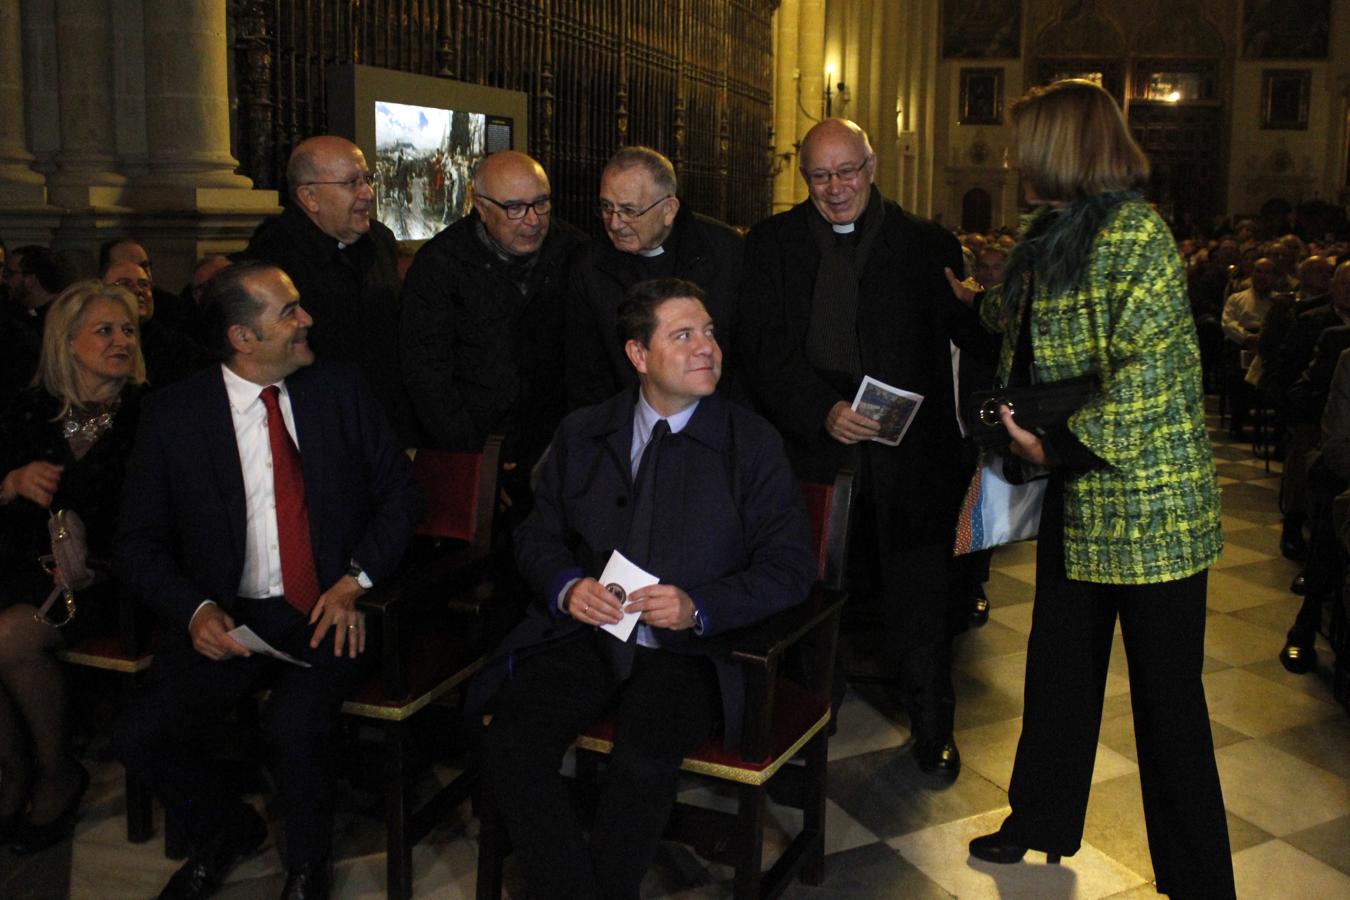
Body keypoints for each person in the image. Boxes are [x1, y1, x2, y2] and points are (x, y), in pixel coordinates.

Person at [946, 80, 1234, 897]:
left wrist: (1061, 441)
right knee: (1060, 671)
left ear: (1062, 151)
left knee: (1168, 706)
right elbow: (1023, 314)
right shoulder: (1052, 230)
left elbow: (1155, 369)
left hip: (1150, 511)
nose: (1010, 159)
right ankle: (1040, 819)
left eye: (1023, 144)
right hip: (1079, 500)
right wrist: (977, 300)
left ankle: (1199, 878)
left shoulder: (1134, 232)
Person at [472, 278, 816, 900]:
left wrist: (701, 607)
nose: (706, 347)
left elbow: (791, 567)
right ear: (638, 355)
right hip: (589, 634)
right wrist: (566, 585)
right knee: (512, 744)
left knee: (642, 761)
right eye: (683, 335)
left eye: (709, 331)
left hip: (693, 655)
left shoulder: (752, 443)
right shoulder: (583, 432)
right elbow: (536, 534)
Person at [114, 261, 422, 899]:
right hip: (229, 616)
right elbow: (138, 541)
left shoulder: (339, 389)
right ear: (242, 339)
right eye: (289, 312)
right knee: (142, 732)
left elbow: (401, 493)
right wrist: (195, 610)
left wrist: (355, 578)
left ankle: (307, 868)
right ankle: (226, 831)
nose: (307, 320)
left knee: (295, 725)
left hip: (325, 606)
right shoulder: (175, 414)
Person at [740, 117, 993, 779]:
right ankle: (801, 725)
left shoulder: (924, 242)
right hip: (814, 447)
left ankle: (933, 725)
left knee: (920, 595)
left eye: (846, 171)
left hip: (910, 458)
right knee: (807, 592)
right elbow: (762, 349)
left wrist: (986, 306)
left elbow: (967, 338)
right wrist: (820, 410)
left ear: (871, 166)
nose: (835, 188)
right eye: (820, 176)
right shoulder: (772, 244)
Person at [0, 280, 145, 853]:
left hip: (107, 578)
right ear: (66, 341)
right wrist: (9, 484)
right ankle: (13, 772)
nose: (121, 341)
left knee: (8, 636)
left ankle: (55, 770)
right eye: (105, 330)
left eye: (128, 330)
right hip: (20, 565)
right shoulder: (29, 409)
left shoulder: (146, 413)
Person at [400, 149, 585, 526]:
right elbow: (427, 371)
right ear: (481, 207)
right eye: (515, 208)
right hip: (481, 447)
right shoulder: (440, 265)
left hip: (559, 447)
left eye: (541, 204)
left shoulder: (575, 253)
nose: (533, 220)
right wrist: (476, 458)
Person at [246, 135, 419, 444]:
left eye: (367, 178)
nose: (368, 193)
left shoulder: (380, 241)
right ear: (309, 197)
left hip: (386, 424)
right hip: (315, 429)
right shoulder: (272, 259)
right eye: (352, 183)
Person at [566, 146, 743, 408]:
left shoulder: (725, 252)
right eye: (606, 207)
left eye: (629, 211)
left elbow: (746, 354)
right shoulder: (588, 265)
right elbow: (585, 371)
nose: (614, 223)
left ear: (669, 210)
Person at [103, 258, 203, 388]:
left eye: (144, 284)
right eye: (125, 284)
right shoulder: (96, 341)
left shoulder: (179, 348)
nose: (139, 290)